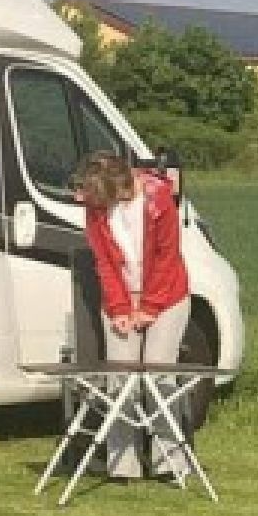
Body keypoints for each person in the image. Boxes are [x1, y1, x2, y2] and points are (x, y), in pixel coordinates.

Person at [73, 146, 192, 480]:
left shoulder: (159, 200)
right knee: (120, 379)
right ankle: (122, 464)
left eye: (101, 200)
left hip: (167, 295)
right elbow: (105, 264)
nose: (95, 207)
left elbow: (167, 259)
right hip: (123, 296)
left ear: (120, 188)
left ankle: (169, 462)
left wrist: (149, 307)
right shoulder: (96, 208)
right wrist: (120, 309)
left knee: (158, 375)